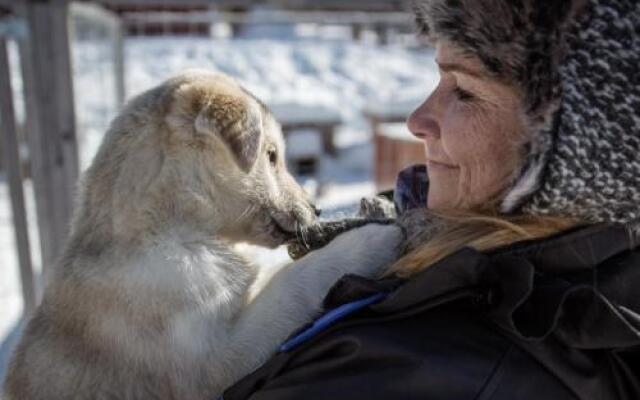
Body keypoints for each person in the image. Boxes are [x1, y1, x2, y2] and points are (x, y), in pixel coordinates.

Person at [222, 0, 640, 399]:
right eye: (439, 80)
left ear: (576, 148)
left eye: (465, 92)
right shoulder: (450, 272)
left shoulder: (420, 369)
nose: (417, 119)